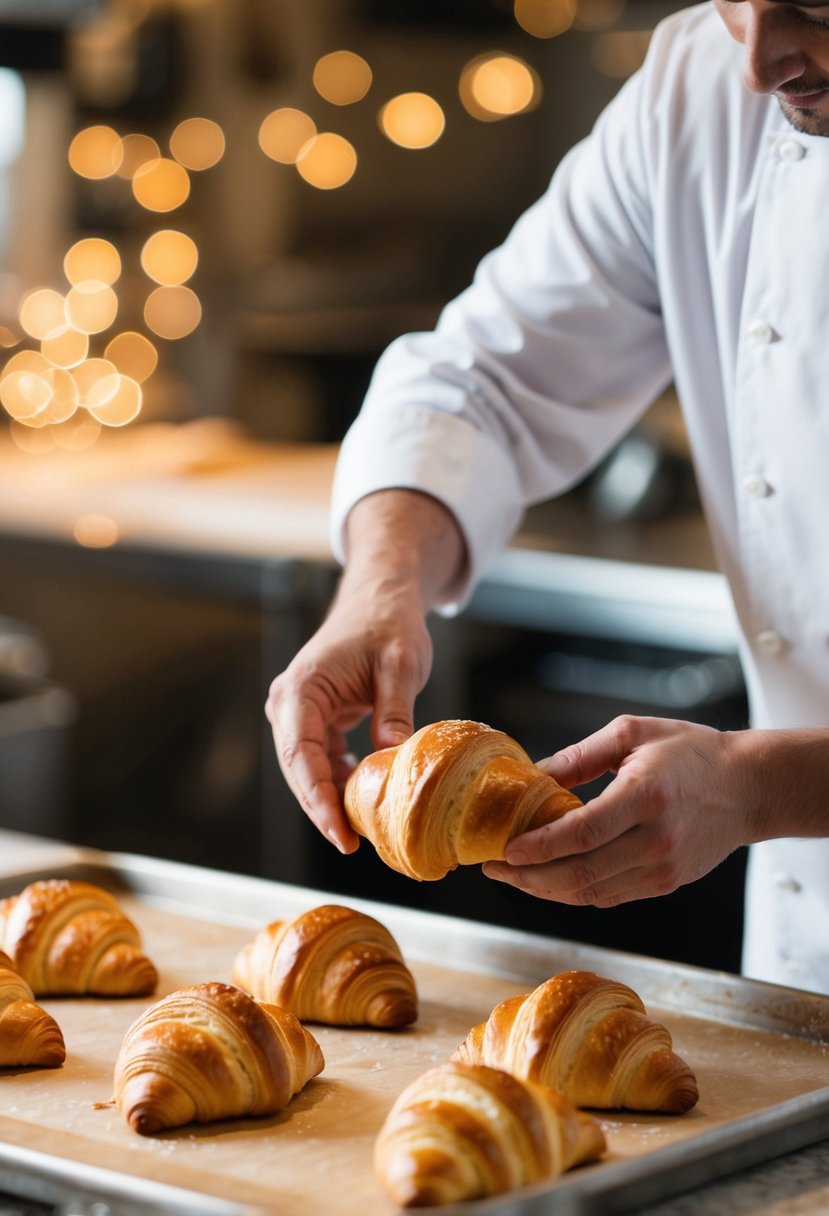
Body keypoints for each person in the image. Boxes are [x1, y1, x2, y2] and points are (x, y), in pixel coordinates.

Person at [266, 0, 829, 997]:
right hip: (802, 968)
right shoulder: (694, 87)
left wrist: (759, 787)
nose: (755, 62)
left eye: (812, 9)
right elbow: (480, 379)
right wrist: (379, 584)